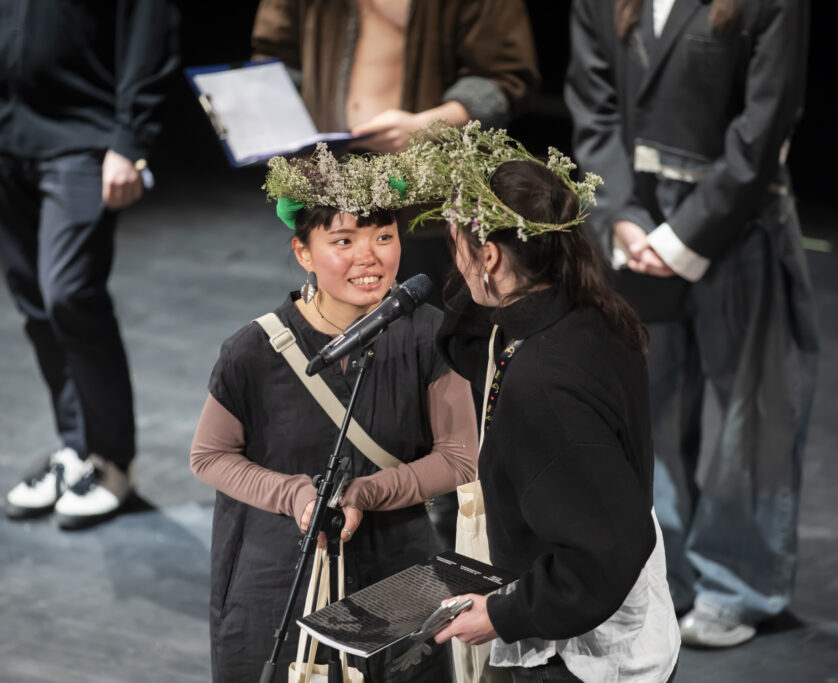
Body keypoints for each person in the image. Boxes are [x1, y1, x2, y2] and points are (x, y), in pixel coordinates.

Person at [565, 0, 819, 647]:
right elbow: (593, 108)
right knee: (648, 404)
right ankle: (662, 570)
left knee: (749, 409)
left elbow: (764, 124)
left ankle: (737, 583)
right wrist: (621, 216)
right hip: (636, 219)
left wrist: (685, 236)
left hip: (735, 218)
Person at [189, 144, 478, 682]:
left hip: (396, 573)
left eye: (384, 237)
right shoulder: (253, 350)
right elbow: (210, 456)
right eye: (343, 241)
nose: (369, 257)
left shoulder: (430, 336)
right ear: (303, 252)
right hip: (279, 576)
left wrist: (367, 493)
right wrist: (296, 495)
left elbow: (460, 458)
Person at [402, 123, 679, 682]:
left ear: (490, 255)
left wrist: (502, 615)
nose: (454, 263)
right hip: (609, 618)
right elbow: (467, 342)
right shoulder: (583, 309)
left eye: (459, 248)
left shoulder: (543, 386)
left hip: (584, 658)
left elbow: (613, 546)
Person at [0, 0, 180, 528]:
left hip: (82, 132)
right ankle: (76, 447)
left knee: (69, 293)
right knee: (34, 302)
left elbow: (148, 18)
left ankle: (111, 460)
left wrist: (131, 137)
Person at [250, 0, 541, 303]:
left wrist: (425, 127)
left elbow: (504, 76)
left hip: (428, 190)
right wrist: (284, 132)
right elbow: (276, 57)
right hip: (331, 175)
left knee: (433, 313)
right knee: (342, 313)